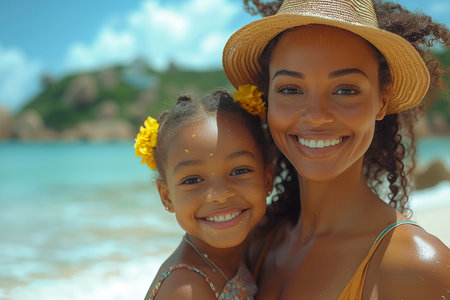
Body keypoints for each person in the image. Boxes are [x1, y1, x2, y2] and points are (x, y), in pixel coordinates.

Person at [222, 0, 450, 299]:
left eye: (345, 90)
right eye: (290, 89)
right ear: (268, 100)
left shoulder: (415, 267)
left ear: (382, 100)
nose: (315, 115)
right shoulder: (259, 242)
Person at [134, 89, 274, 299]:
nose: (219, 194)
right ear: (167, 196)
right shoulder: (185, 289)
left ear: (267, 179)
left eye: (239, 171)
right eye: (192, 180)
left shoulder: (241, 251)